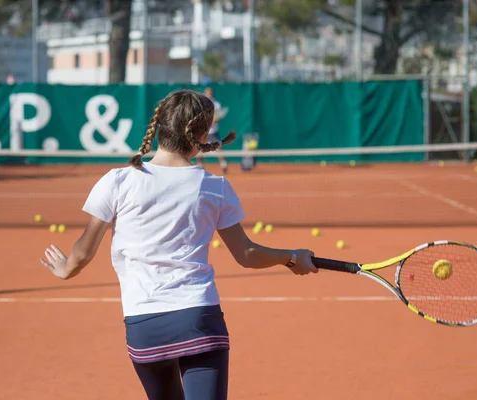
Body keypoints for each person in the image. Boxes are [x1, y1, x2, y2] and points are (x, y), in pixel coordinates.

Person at [39, 89, 318, 400]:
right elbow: (247, 254)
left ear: (161, 126)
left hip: (144, 327)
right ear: (201, 133)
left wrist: (65, 269)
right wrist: (292, 257)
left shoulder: (117, 181)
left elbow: (82, 253)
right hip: (199, 319)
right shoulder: (215, 187)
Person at [196, 87, 228, 174]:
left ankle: (224, 165)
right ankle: (200, 166)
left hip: (214, 131)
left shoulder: (217, 105)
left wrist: (215, 119)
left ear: (212, 94)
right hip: (203, 131)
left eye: (210, 93)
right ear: (205, 93)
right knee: (200, 148)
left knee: (219, 148)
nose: (209, 95)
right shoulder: (201, 105)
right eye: (207, 93)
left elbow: (218, 118)